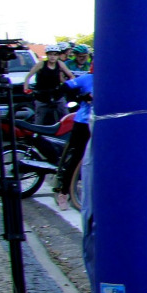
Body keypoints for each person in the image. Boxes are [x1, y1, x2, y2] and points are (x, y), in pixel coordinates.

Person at [53, 68, 93, 208]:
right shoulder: (87, 78)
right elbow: (64, 87)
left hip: (101, 124)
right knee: (76, 156)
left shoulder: (111, 80)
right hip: (83, 122)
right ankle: (63, 192)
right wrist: (81, 97)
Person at [24, 44, 74, 124]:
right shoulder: (41, 64)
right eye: (50, 54)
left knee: (65, 116)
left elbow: (71, 76)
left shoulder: (60, 64)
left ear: (58, 55)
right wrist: (26, 88)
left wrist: (71, 85)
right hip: (42, 96)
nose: (52, 57)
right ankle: (36, 134)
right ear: (47, 55)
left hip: (57, 94)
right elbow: (28, 77)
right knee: (39, 119)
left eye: (55, 54)